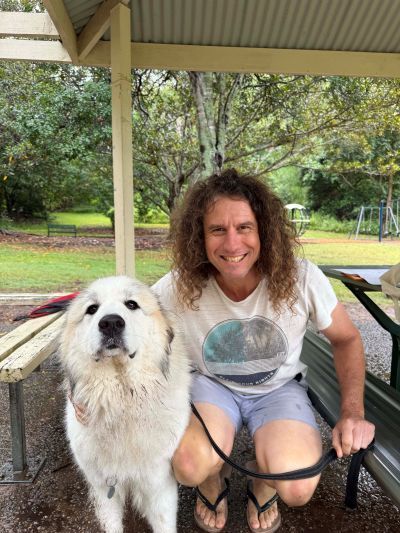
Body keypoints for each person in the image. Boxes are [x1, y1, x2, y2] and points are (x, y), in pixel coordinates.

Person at [151, 168, 375, 533]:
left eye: (244, 227)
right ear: (199, 237)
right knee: (189, 467)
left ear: (264, 231)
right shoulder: (178, 286)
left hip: (279, 389)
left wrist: (352, 413)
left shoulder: (302, 277)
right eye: (217, 230)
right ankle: (212, 482)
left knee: (298, 488)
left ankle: (262, 480)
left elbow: (346, 339)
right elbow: (130, 331)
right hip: (211, 386)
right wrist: (85, 389)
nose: (232, 244)